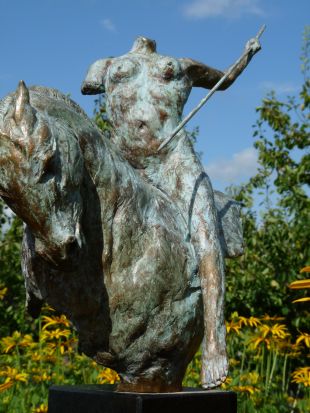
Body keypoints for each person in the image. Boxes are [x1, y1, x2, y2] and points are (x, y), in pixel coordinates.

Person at [81, 35, 260, 388]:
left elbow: (225, 79)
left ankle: (214, 341)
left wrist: (246, 55)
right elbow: (88, 87)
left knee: (205, 232)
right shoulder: (105, 65)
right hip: (123, 158)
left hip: (173, 158)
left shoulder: (183, 65)